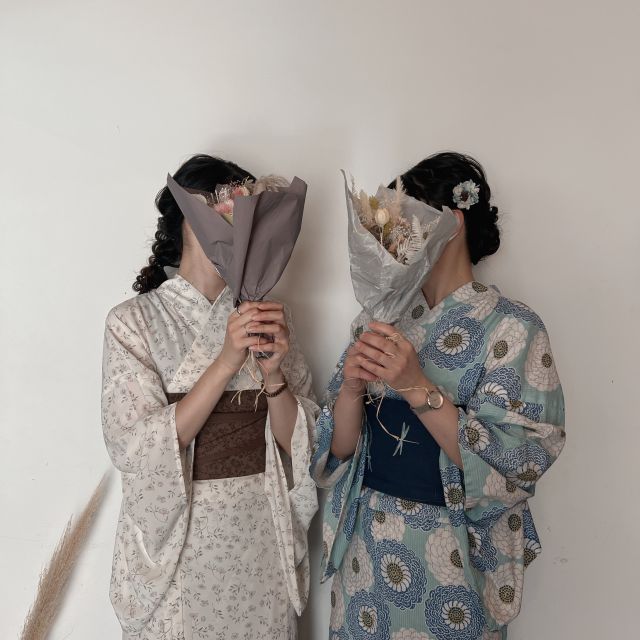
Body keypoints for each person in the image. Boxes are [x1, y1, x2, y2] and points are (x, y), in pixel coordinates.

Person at [312, 152, 565, 639]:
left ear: (454, 221)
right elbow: (340, 451)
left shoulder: (513, 328)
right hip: (366, 548)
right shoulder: (379, 320)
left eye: (409, 219)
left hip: (449, 554)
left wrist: (415, 386)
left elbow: (519, 463)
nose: (397, 238)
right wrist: (350, 391)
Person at [101, 154, 319, 639]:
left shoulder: (267, 315)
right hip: (184, 538)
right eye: (225, 211)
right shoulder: (132, 322)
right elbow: (135, 447)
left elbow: (300, 445)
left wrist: (274, 375)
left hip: (259, 530)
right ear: (188, 217)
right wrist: (225, 362)